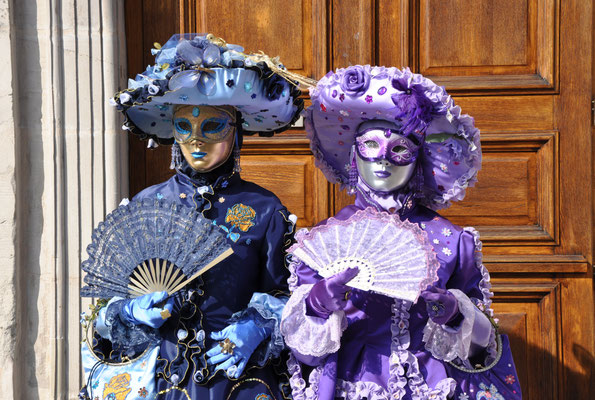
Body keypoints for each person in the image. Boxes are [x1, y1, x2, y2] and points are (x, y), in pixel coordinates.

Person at [82, 33, 307, 400]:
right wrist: (132, 312)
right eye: (185, 126)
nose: (197, 140)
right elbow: (103, 313)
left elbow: (290, 293)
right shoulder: (147, 203)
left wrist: (260, 325)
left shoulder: (264, 208)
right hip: (158, 380)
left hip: (236, 380)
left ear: (235, 131)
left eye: (213, 125)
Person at [280, 66, 522, 400]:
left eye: (399, 150)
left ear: (418, 160)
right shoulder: (323, 240)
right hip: (351, 384)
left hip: (434, 386)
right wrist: (318, 305)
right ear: (354, 152)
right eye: (370, 145)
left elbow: (484, 349)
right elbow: (304, 354)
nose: (383, 160)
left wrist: (456, 315)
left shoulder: (453, 242)